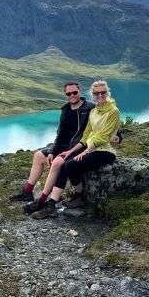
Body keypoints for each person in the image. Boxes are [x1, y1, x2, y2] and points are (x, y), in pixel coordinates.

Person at [28, 80, 121, 219]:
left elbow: (104, 136)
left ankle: (51, 204)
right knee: (66, 163)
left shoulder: (112, 111)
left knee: (66, 165)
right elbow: (85, 136)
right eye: (96, 93)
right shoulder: (94, 111)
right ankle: (76, 195)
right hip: (88, 148)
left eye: (103, 92)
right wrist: (69, 152)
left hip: (104, 151)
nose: (100, 95)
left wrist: (84, 152)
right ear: (92, 94)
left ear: (108, 93)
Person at [10, 82, 94, 202]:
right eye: (69, 93)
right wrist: (52, 151)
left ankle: (45, 200)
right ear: (66, 95)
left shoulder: (90, 107)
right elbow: (60, 134)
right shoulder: (65, 110)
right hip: (63, 146)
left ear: (79, 91)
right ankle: (27, 192)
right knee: (38, 155)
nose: (72, 95)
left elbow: (99, 125)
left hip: (78, 147)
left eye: (75, 92)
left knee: (57, 163)